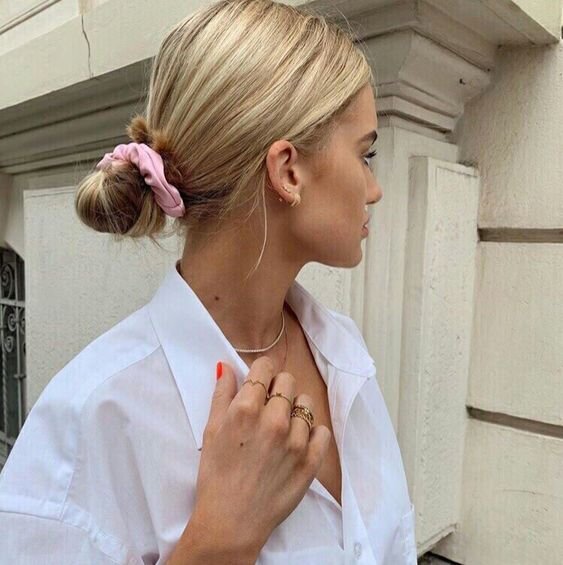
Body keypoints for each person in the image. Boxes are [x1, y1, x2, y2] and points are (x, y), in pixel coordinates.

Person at [0, 0, 417, 563]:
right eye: (366, 154)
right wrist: (217, 542)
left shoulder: (343, 352)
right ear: (288, 171)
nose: (375, 189)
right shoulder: (91, 421)